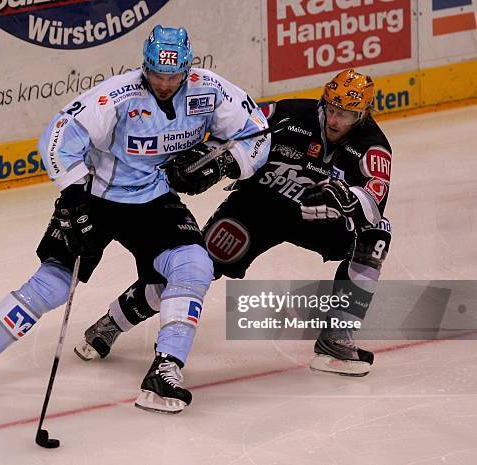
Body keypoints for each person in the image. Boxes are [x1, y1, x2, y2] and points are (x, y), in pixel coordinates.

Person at [0, 25, 270, 413]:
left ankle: (165, 370)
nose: (164, 84)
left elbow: (256, 132)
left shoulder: (209, 90)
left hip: (154, 199)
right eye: (156, 74)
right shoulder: (117, 95)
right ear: (144, 66)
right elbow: (58, 136)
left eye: (173, 75)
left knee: (194, 266)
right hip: (96, 198)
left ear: (188, 67)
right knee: (54, 285)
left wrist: (223, 163)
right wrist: (74, 198)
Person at [75, 68, 392, 377]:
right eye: (332, 109)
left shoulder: (373, 148)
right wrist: (211, 159)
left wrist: (346, 198)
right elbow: (238, 134)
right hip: (258, 207)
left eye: (346, 114)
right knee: (196, 265)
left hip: (315, 219)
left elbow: (373, 203)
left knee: (376, 235)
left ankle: (336, 339)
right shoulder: (289, 113)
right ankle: (112, 322)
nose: (335, 120)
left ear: (363, 114)